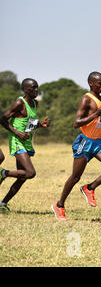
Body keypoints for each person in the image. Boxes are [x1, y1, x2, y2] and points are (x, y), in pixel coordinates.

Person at [51, 72, 101, 220]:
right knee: (75, 176)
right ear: (91, 83)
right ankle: (59, 205)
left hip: (99, 142)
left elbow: (99, 121)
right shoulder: (86, 99)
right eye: (100, 83)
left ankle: (89, 188)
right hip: (85, 142)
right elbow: (76, 123)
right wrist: (96, 114)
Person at [0, 78, 50, 212]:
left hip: (26, 141)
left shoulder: (34, 103)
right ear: (25, 89)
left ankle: (2, 204)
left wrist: (40, 125)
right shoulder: (19, 103)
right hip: (17, 141)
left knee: (23, 177)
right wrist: (17, 133)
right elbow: (3, 120)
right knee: (30, 172)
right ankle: (3, 173)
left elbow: (29, 124)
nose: (36, 90)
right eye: (33, 88)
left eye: (37, 87)